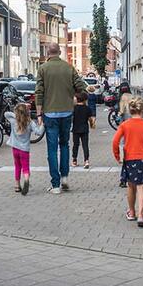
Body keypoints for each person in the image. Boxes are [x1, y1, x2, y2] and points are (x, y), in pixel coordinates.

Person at [35, 43, 87, 194]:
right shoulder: (69, 68)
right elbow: (82, 88)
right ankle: (64, 177)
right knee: (64, 145)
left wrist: (39, 114)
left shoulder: (42, 69)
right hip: (66, 112)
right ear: (59, 52)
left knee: (52, 149)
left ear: (48, 53)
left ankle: (55, 185)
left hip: (50, 114)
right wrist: (75, 99)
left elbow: (39, 92)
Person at [111, 95, 143, 227]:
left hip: (130, 158)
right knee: (142, 186)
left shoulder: (125, 125)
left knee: (131, 185)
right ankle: (141, 214)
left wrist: (117, 155)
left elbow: (115, 141)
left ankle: (131, 211)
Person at [5, 102, 37, 195]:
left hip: (15, 148)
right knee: (25, 167)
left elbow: (6, 113)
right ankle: (26, 179)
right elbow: (38, 132)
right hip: (25, 149)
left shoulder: (14, 120)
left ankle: (17, 185)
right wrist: (42, 124)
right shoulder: (30, 122)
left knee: (17, 166)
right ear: (27, 112)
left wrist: (20, 109)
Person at [71, 91, 93, 169]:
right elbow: (90, 119)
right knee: (85, 145)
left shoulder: (73, 108)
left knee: (75, 145)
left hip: (75, 129)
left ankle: (74, 160)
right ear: (85, 100)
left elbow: (71, 118)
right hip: (84, 129)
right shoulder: (87, 109)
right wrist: (91, 124)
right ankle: (86, 161)